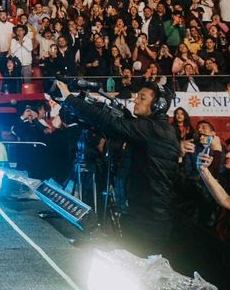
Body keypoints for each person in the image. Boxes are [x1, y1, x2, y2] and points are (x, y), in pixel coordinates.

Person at [57, 79, 179, 252]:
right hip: (141, 214)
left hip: (149, 220)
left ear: (158, 105)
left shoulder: (155, 129)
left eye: (142, 98)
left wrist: (70, 100)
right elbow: (121, 122)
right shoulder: (152, 128)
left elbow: (112, 124)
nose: (135, 100)